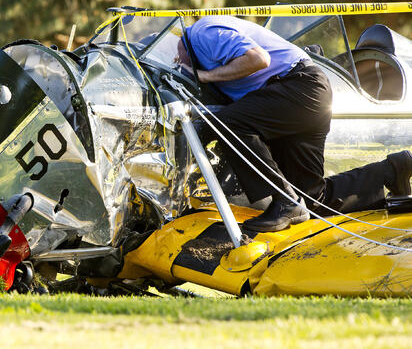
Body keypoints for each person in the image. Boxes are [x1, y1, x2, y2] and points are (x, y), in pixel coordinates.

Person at [176, 15, 412, 232]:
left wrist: (202, 76)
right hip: (302, 94)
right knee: (311, 200)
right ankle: (393, 169)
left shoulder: (201, 33)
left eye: (179, 62)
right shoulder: (206, 48)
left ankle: (285, 201)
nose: (178, 63)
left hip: (298, 87)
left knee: (226, 124)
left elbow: (259, 59)